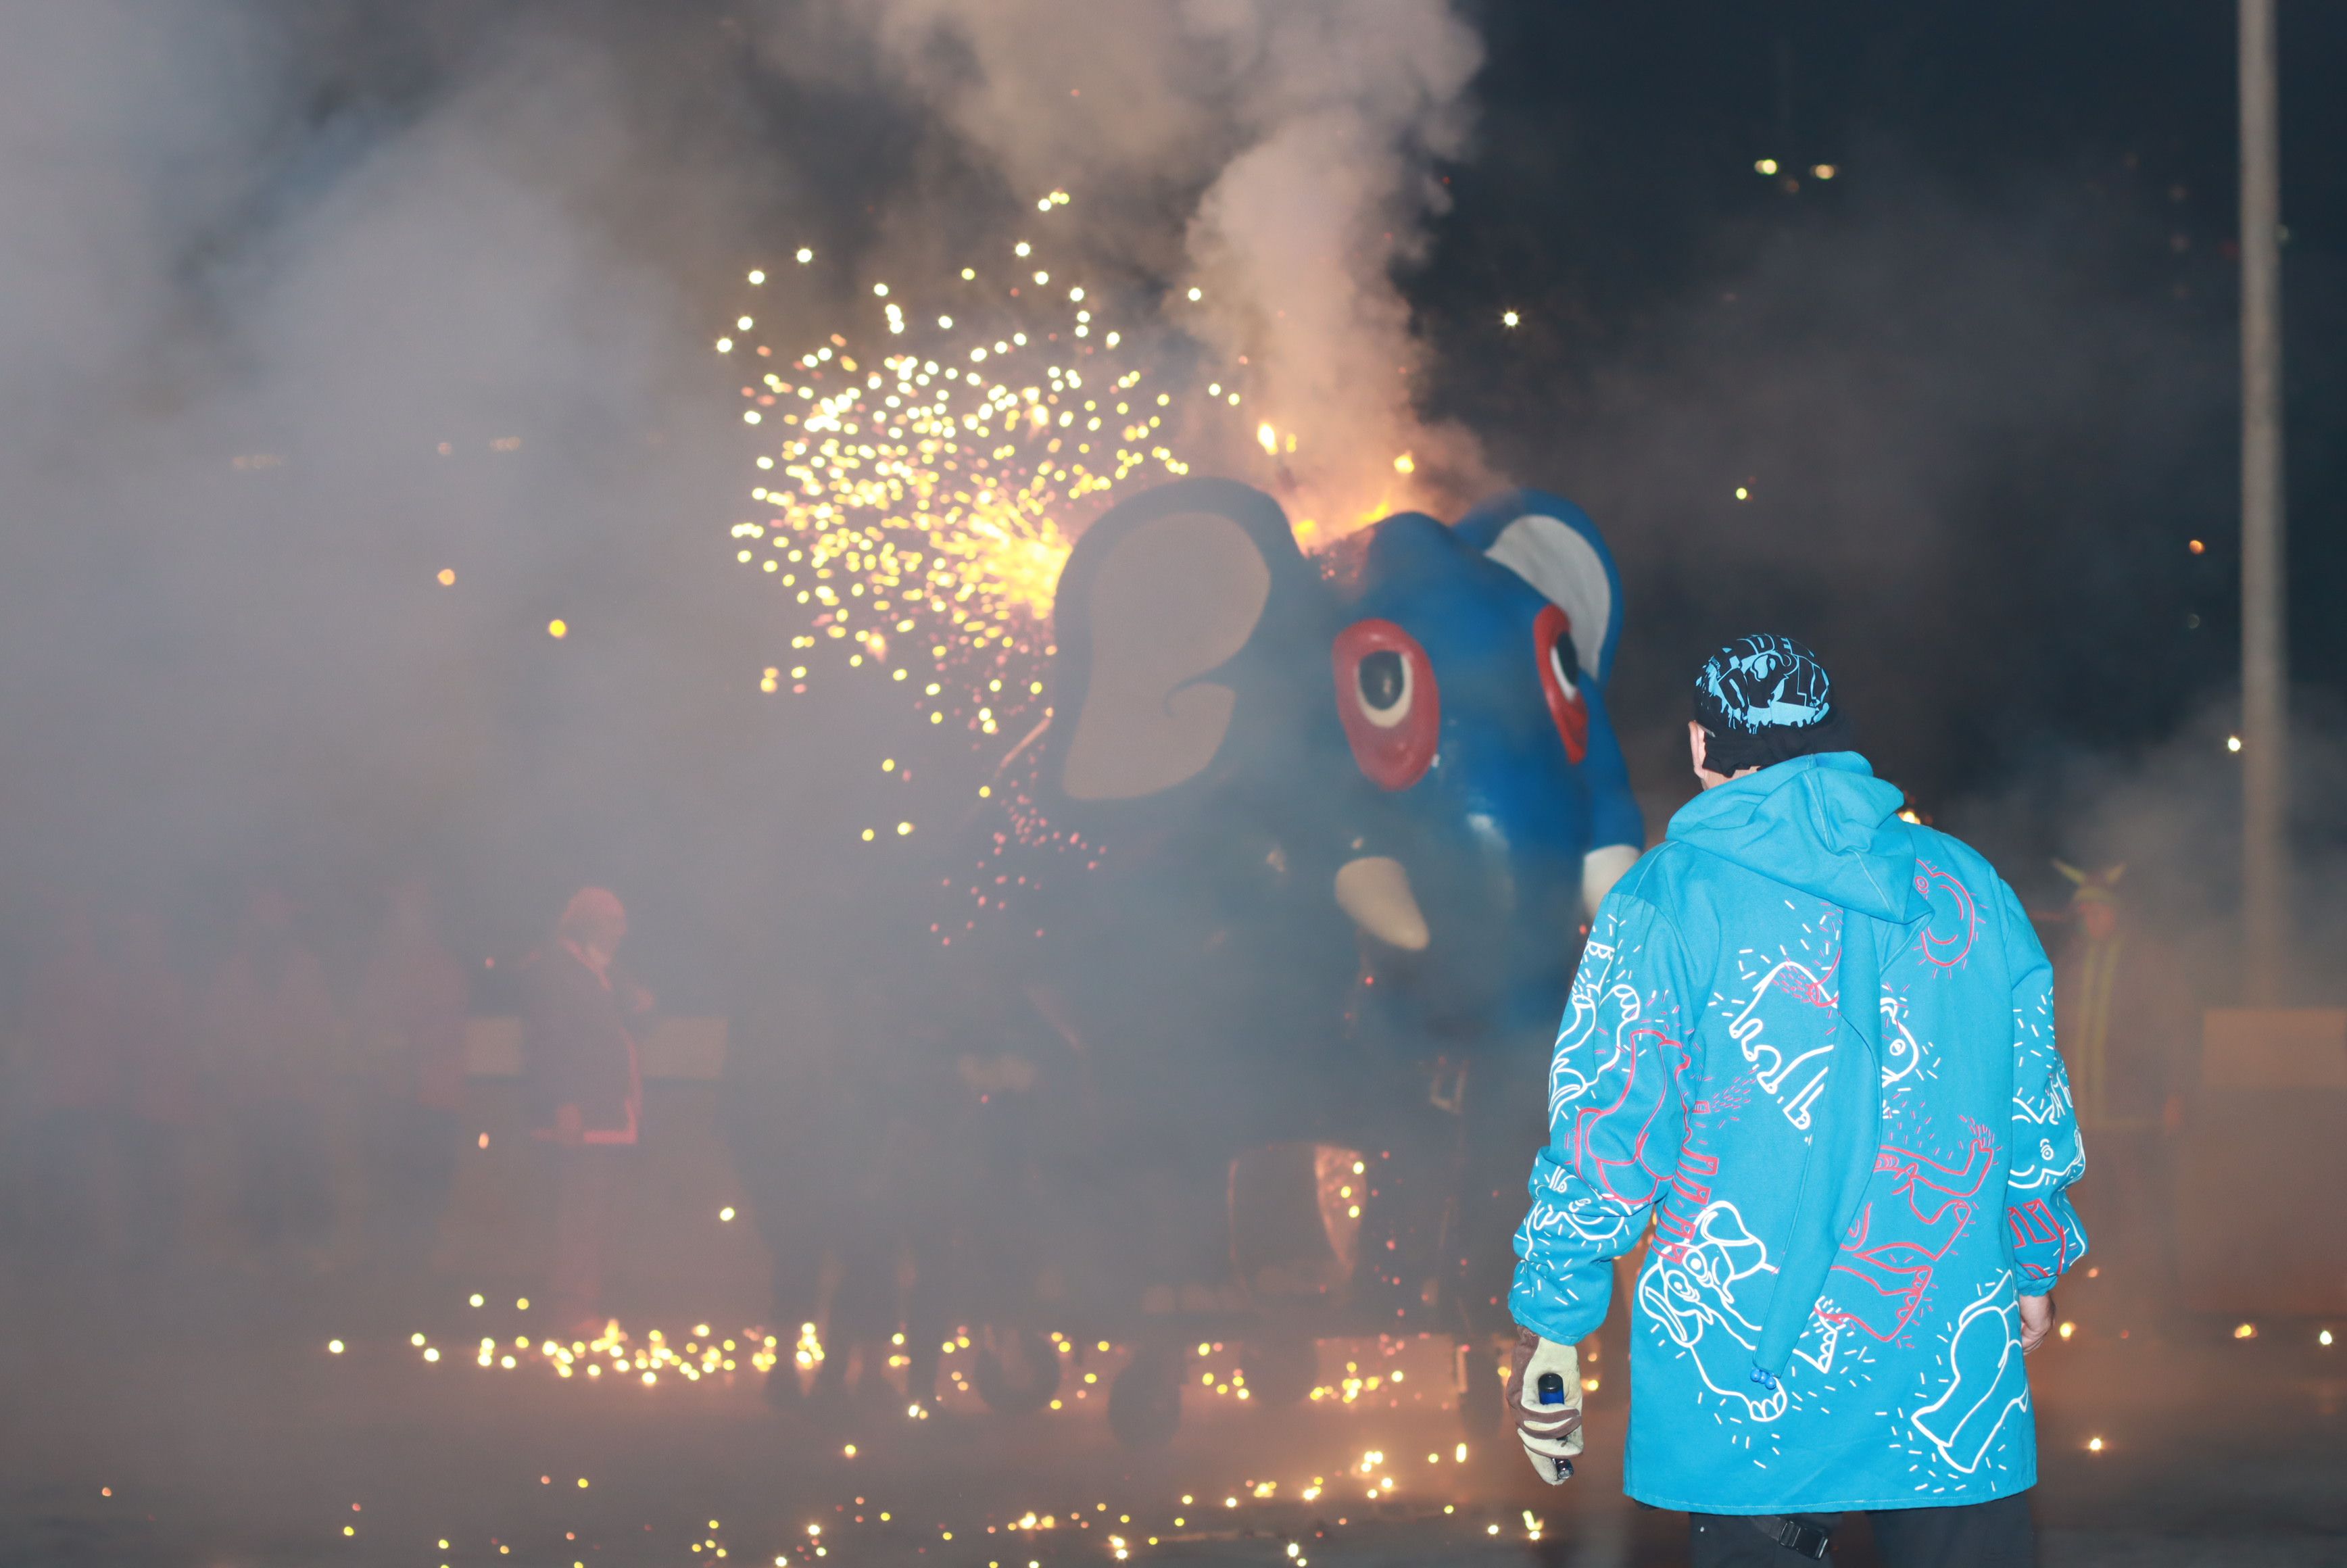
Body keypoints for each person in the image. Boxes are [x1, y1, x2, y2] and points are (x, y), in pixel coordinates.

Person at [1507, 635, 2087, 1567]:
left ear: (1702, 747)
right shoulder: (1970, 887)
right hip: (1943, 1348)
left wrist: (1554, 1319)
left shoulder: (1665, 896)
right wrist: (2033, 1255)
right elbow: (2031, 1100)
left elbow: (1607, 1128)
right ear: (1834, 742)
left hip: (1742, 1371)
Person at [2049, 862, 2192, 1312]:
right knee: (2100, 1222)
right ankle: (2113, 1314)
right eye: (2085, 912)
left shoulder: (2149, 961)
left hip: (2136, 1115)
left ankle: (2166, 1312)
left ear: (2118, 914)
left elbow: (2179, 1030)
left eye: (2099, 912)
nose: (2091, 920)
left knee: (2149, 1214)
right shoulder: (2070, 964)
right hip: (2087, 1119)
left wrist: (2176, 1094)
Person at [518, 887, 650, 1337]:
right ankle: (570, 1310)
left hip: (610, 1113)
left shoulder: (605, 973)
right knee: (579, 1214)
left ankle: (584, 1304)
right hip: (582, 1114)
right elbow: (549, 1043)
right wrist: (564, 1104)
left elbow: (636, 1017)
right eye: (613, 921)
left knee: (597, 1213)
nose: (623, 931)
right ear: (588, 922)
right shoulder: (557, 971)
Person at [203, 889, 342, 1267]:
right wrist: (241, 1069)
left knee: (307, 1179)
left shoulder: (307, 969)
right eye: (262, 924)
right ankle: (262, 1260)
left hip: (299, 1095)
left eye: (276, 925)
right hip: (251, 1097)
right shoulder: (232, 973)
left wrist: (303, 1070)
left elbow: (321, 1030)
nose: (269, 933)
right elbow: (220, 1031)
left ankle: (312, 1263)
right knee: (257, 1180)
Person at [351, 877, 471, 1275]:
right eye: (403, 909)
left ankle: (417, 1276)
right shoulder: (381, 968)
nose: (409, 917)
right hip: (391, 1102)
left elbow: (443, 1030)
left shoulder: (442, 967)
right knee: (388, 1193)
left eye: (416, 909)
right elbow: (371, 1029)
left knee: (427, 1197)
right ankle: (385, 1277)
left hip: (433, 1102)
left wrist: (407, 1042)